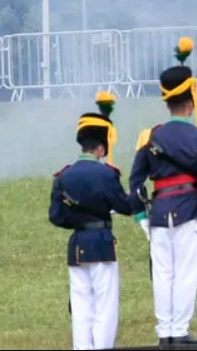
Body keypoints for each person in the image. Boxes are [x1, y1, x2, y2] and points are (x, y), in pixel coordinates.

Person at [128, 37, 197, 348]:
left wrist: (140, 213)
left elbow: (136, 180)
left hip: (159, 211)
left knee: (163, 274)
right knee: (186, 273)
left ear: (166, 101)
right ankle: (179, 330)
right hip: (189, 209)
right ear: (191, 101)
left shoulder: (150, 136)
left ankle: (164, 330)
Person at [50, 91, 134, 350]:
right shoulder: (106, 174)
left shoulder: (63, 176)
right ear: (100, 148)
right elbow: (124, 206)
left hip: (77, 245)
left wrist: (79, 217)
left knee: (81, 305)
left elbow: (56, 216)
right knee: (105, 307)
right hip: (101, 243)